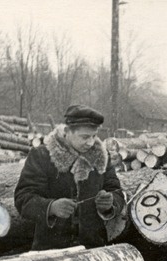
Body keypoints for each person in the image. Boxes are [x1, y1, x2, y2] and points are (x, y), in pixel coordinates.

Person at [14, 105, 125, 250]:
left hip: (93, 250)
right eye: (84, 137)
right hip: (51, 250)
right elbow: (23, 198)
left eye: (94, 136)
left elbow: (116, 192)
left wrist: (110, 202)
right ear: (67, 132)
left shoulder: (102, 157)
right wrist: (51, 207)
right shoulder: (42, 156)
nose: (91, 142)